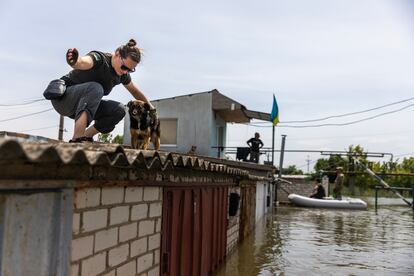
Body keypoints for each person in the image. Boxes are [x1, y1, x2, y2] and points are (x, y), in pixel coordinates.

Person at [49, 38, 153, 143]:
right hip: (64, 99)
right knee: (96, 88)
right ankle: (78, 138)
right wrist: (76, 61)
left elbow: (135, 91)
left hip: (82, 106)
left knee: (119, 110)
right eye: (124, 67)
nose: (125, 71)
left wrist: (152, 109)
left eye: (130, 70)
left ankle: (86, 136)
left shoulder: (122, 75)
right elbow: (84, 62)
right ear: (117, 54)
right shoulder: (100, 59)